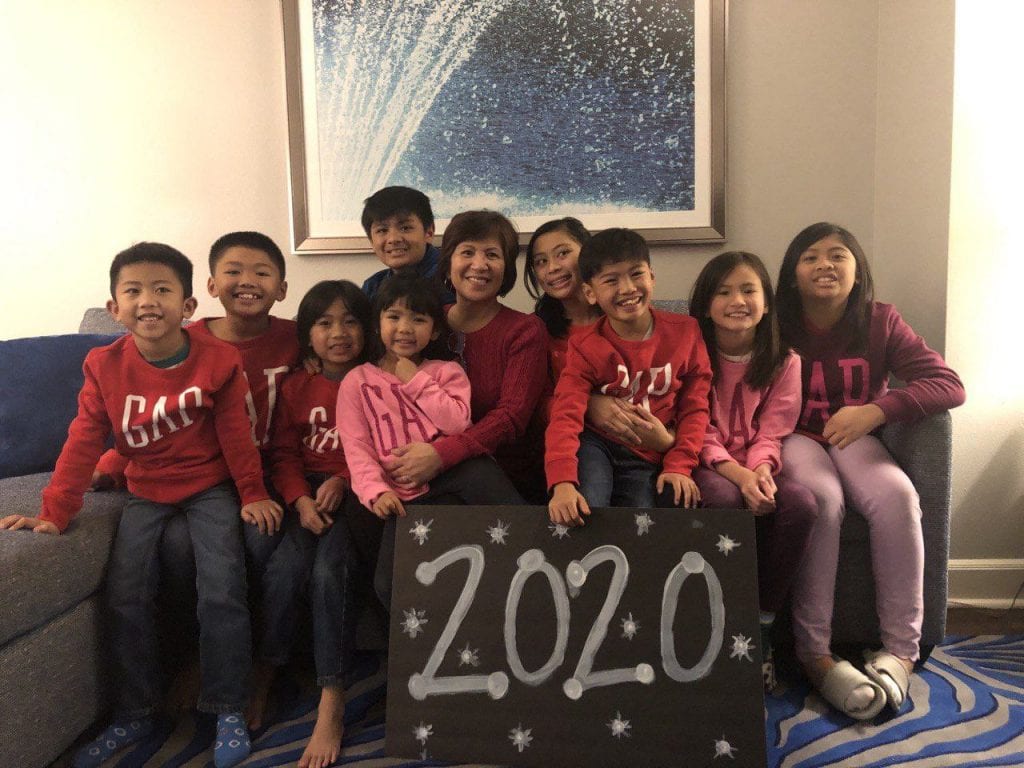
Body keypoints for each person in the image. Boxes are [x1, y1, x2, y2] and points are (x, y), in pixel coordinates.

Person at [0, 243, 282, 768]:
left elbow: (236, 434)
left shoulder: (219, 360)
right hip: (144, 489)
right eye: (133, 291)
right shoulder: (104, 364)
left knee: (222, 592)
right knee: (126, 596)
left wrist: (253, 493)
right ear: (114, 308)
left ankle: (227, 707)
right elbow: (84, 436)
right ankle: (135, 712)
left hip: (210, 487)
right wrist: (55, 510)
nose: (147, 301)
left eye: (162, 290)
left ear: (189, 306)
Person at [776, 222, 965, 719]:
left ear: (857, 272)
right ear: (792, 275)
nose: (825, 265)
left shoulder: (881, 321)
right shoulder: (775, 322)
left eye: (838, 255)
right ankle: (814, 652)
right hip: (795, 438)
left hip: (859, 434)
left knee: (898, 495)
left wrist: (877, 410)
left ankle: (901, 651)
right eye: (810, 257)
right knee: (823, 501)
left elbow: (947, 384)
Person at [338, 272, 523, 609]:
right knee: (390, 585)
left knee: (482, 470)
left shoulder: (446, 372)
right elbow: (356, 447)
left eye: (418, 319)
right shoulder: (357, 381)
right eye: (393, 317)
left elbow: (457, 424)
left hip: (448, 479)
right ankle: (400, 654)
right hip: (400, 493)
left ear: (435, 329)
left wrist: (417, 380)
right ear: (377, 322)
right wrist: (375, 491)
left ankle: (534, 549)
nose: (405, 328)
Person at [688, 250, 817, 691]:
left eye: (748, 290)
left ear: (766, 303)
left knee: (800, 503)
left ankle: (761, 626)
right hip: (707, 463)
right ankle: (721, 629)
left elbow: (774, 429)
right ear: (706, 304)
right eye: (723, 292)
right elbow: (694, 427)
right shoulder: (691, 352)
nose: (737, 300)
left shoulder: (785, 361)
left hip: (757, 463)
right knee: (723, 501)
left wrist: (759, 472)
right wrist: (739, 477)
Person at [267, 280, 381, 768]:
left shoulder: (381, 380)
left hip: (360, 488)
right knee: (283, 571)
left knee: (328, 573)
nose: (339, 333)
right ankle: (265, 669)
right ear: (307, 335)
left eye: (351, 320)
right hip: (303, 492)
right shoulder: (297, 385)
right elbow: (283, 453)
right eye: (324, 322)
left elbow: (389, 444)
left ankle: (331, 699)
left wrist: (343, 478)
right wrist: (298, 501)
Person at [545, 227, 712, 525]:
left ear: (652, 277)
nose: (627, 288)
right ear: (590, 293)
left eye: (636, 274)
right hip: (597, 444)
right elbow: (565, 414)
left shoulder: (686, 332)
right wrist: (562, 483)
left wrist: (679, 464)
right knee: (588, 507)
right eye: (611, 280)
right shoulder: (584, 346)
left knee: (639, 523)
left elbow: (695, 407)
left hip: (647, 452)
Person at [381, 210, 548, 504]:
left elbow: (510, 418)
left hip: (503, 475)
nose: (479, 265)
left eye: (492, 255)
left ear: (506, 268)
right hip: (424, 467)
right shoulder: (426, 324)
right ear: (448, 264)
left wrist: (442, 455)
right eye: (467, 252)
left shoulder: (525, 331)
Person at [359, 185, 455, 304]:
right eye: (382, 230)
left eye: (405, 228)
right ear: (371, 241)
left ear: (429, 232)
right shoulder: (373, 287)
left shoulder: (454, 276)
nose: (393, 239)